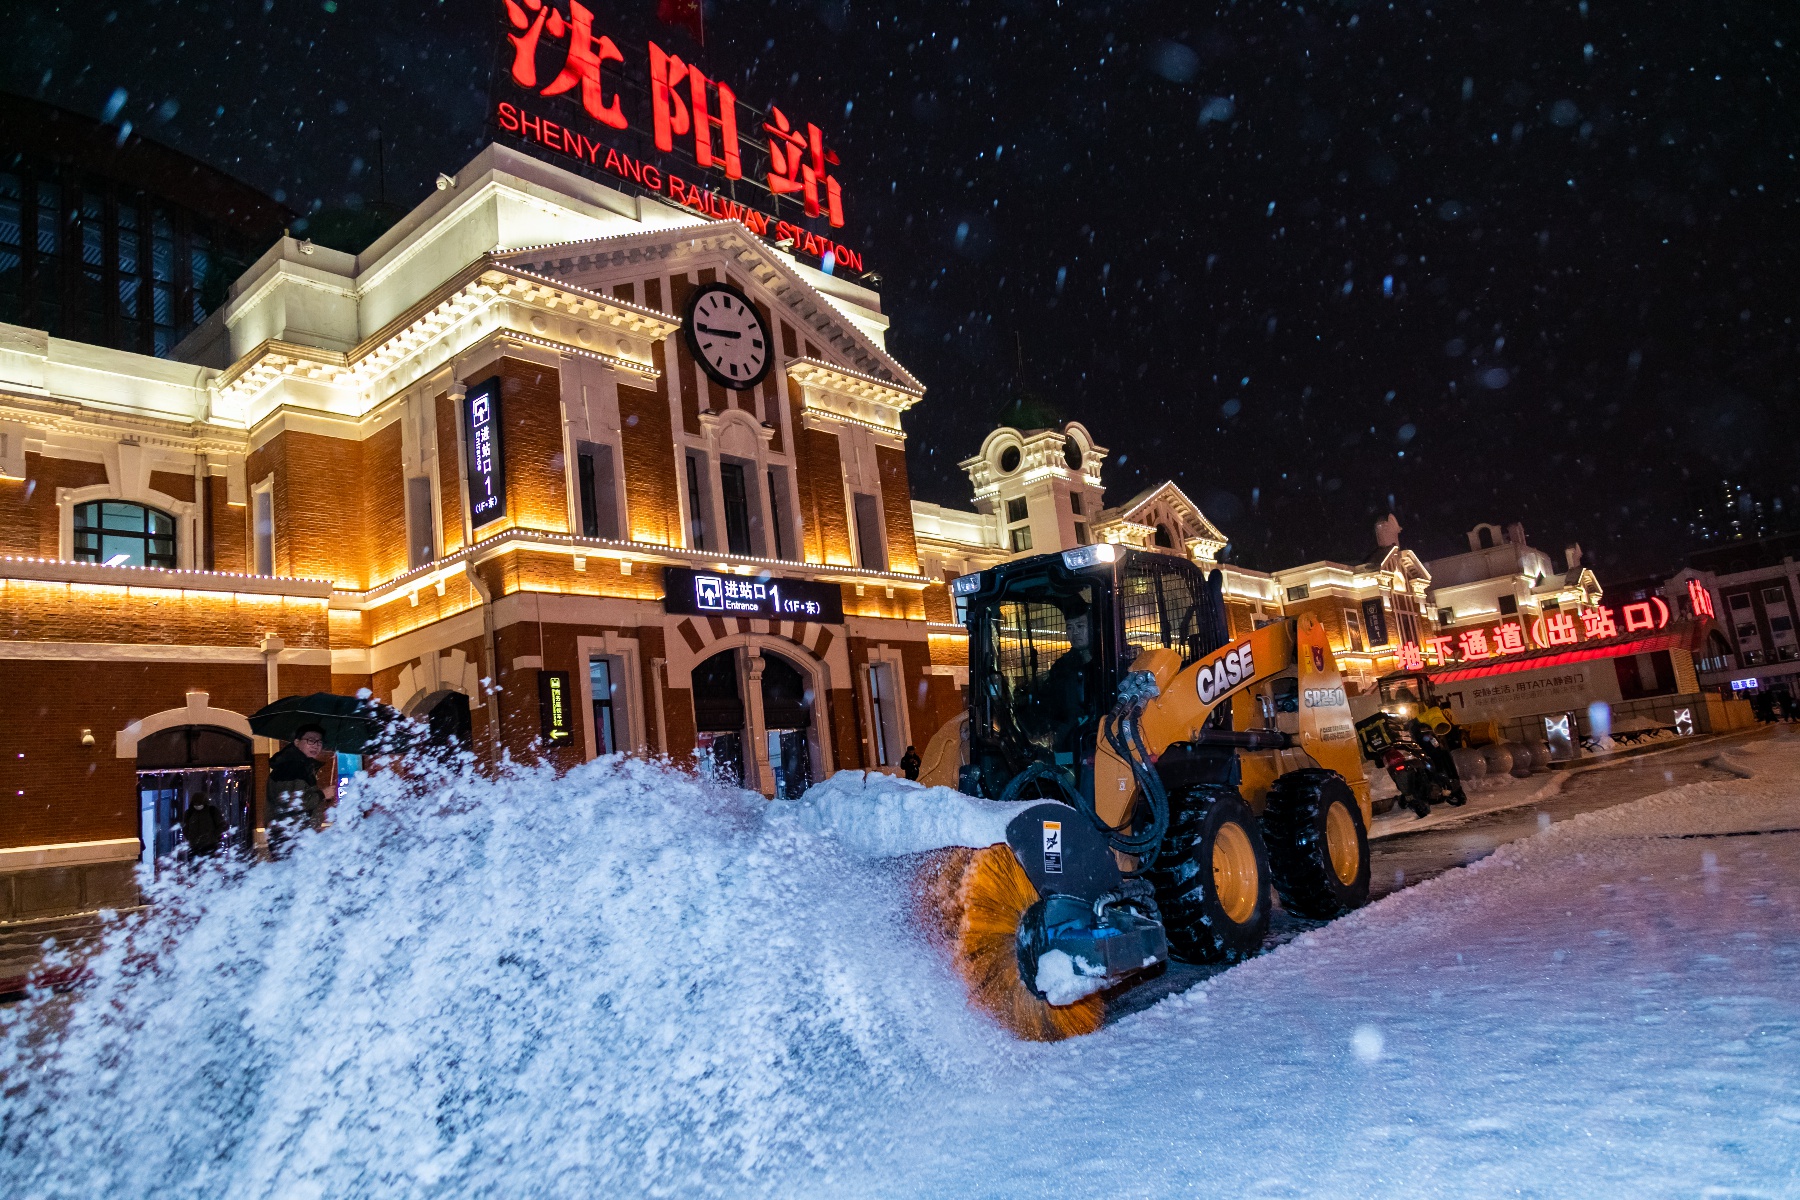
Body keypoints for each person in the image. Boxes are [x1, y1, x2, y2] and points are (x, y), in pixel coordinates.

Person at [266, 724, 336, 858]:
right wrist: (322, 794)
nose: (316, 745)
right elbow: (292, 802)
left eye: (319, 742)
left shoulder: (301, 766)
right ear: (297, 743)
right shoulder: (291, 767)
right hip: (290, 839)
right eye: (310, 740)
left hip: (295, 837)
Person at [181, 793, 226, 858]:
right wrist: (190, 838)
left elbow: (221, 825)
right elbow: (185, 827)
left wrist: (213, 836)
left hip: (210, 846)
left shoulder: (212, 811)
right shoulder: (189, 813)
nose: (198, 805)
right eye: (196, 803)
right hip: (195, 847)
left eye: (200, 803)